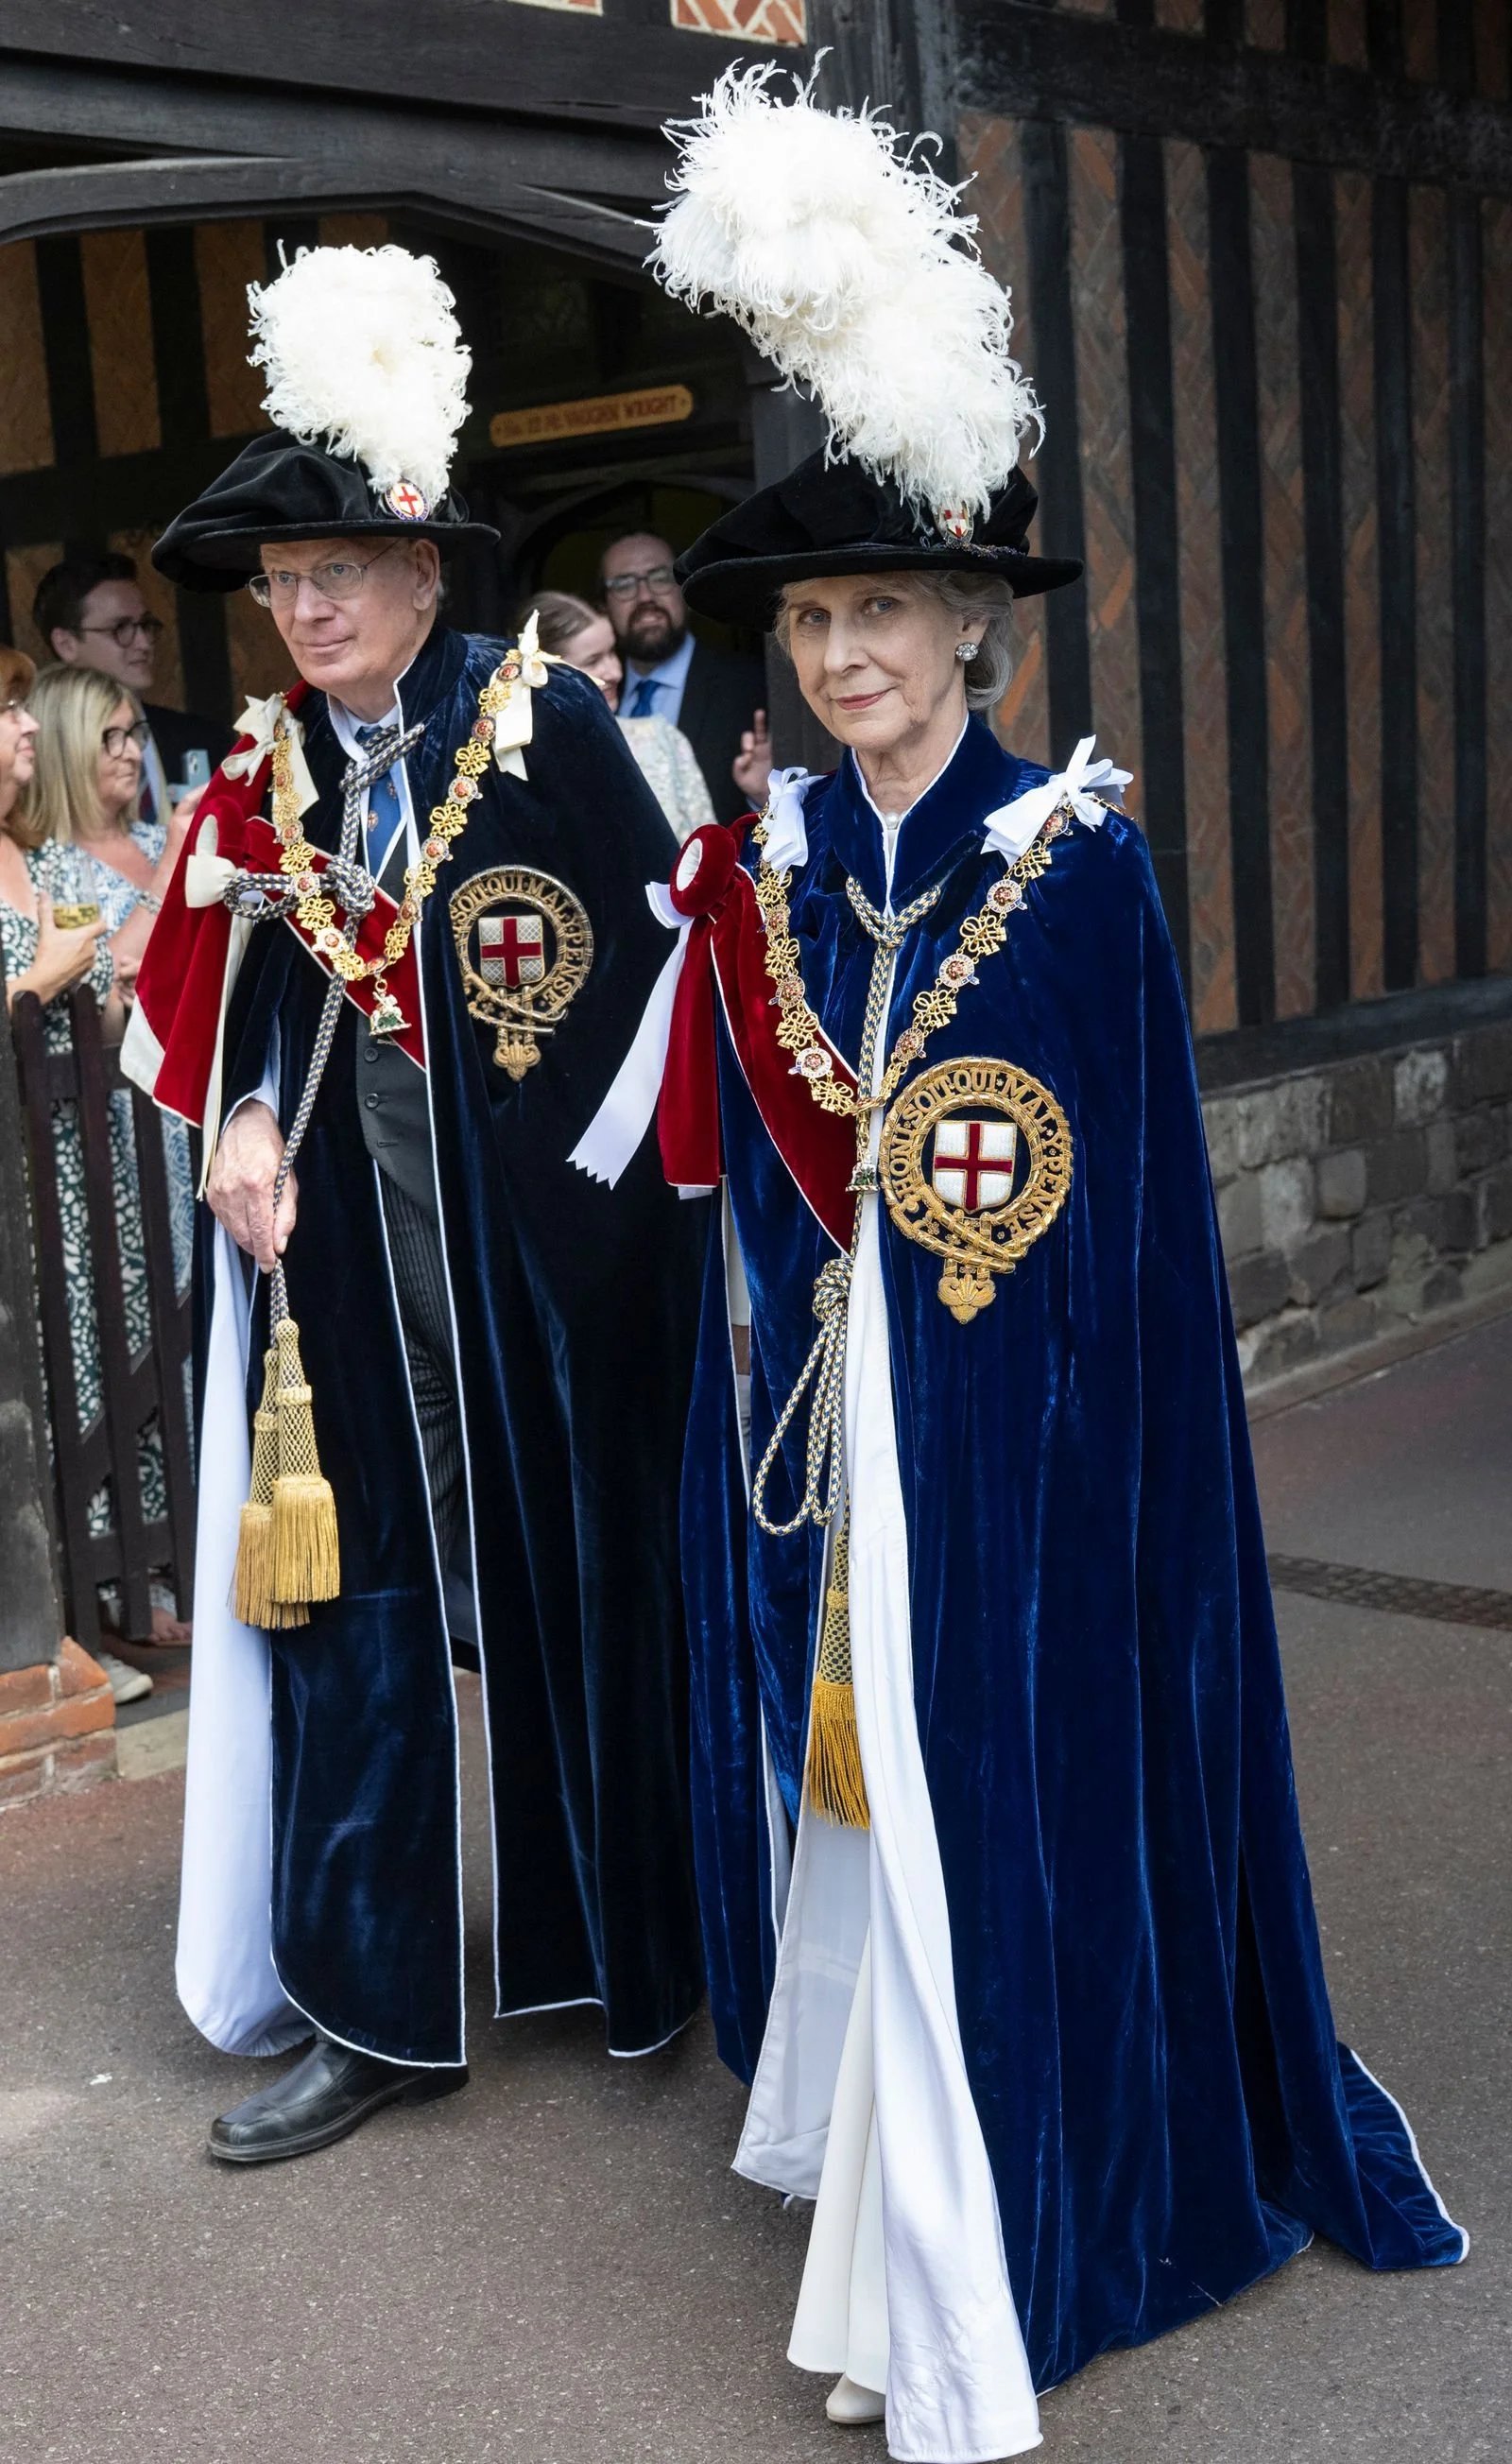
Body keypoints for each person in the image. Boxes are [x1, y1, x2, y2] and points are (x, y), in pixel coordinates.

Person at [577, 68, 1467, 2461]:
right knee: (859, 1811)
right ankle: (892, 2193)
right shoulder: (773, 861)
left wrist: (972, 1407)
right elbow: (773, 1176)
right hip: (831, 1447)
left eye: (889, 610)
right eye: (816, 617)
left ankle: (992, 2260)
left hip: (1019, 1467)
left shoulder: (1064, 875)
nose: (846, 652)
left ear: (976, 626)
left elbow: (1093, 1239)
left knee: (985, 1808)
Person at [125, 241, 705, 2165]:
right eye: (281, 582)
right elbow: (273, 981)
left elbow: (659, 986)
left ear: (421, 577)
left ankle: (639, 1942)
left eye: (335, 574)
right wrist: (245, 1118)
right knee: (350, 1596)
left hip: (544, 1264)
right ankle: (371, 2002)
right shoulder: (282, 761)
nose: (298, 606)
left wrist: (617, 1236)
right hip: (350, 1252)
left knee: (587, 1572)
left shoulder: (543, 730)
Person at [0, 647, 157, 1705]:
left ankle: (122, 1594)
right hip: (10, 1172)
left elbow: (98, 1022)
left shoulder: (41, 861)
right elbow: (34, 996)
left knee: (109, 1357)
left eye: (20, 709)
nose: (20, 728)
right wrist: (29, 983)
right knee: (35, 1386)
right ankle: (52, 1629)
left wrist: (118, 977)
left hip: (84, 1160)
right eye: (1, 711)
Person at [34, 551, 234, 824]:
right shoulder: (32, 756)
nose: (143, 643)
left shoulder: (205, 740)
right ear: (66, 644)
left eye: (145, 625)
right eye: (120, 628)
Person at [601, 528, 766, 825]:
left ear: (682, 588)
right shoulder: (594, 692)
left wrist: (764, 795)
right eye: (624, 584)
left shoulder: (750, 685)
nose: (645, 596)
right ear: (604, 605)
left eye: (660, 577)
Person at [527, 589, 716, 842]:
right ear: (541, 674)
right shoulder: (517, 768)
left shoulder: (663, 740)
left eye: (612, 652)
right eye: (593, 661)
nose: (615, 672)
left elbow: (711, 855)